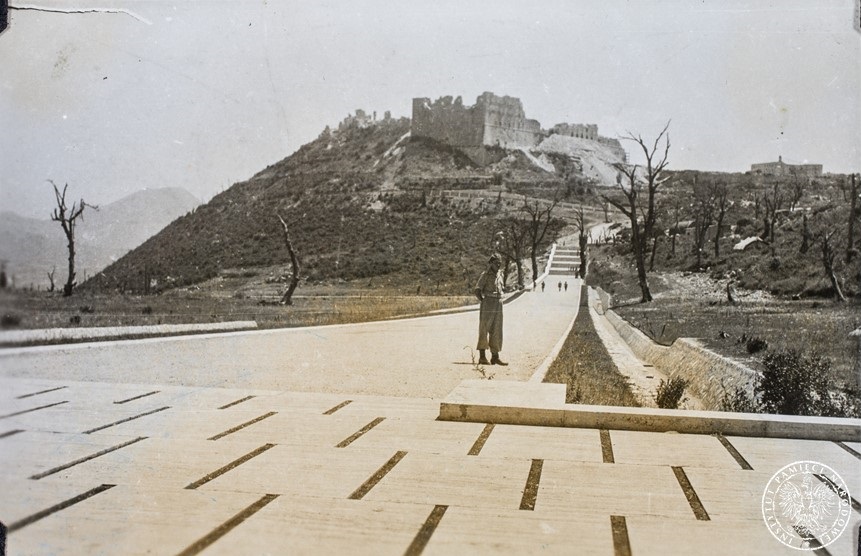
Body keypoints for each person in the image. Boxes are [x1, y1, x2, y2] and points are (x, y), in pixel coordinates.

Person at [474, 254, 508, 366]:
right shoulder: (485, 275)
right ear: (491, 264)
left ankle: (495, 357)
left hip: (498, 303)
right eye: (496, 263)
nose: (498, 265)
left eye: (500, 263)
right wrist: (483, 301)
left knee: (497, 329)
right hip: (488, 303)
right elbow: (477, 290)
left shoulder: (500, 275)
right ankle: (482, 357)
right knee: (484, 328)